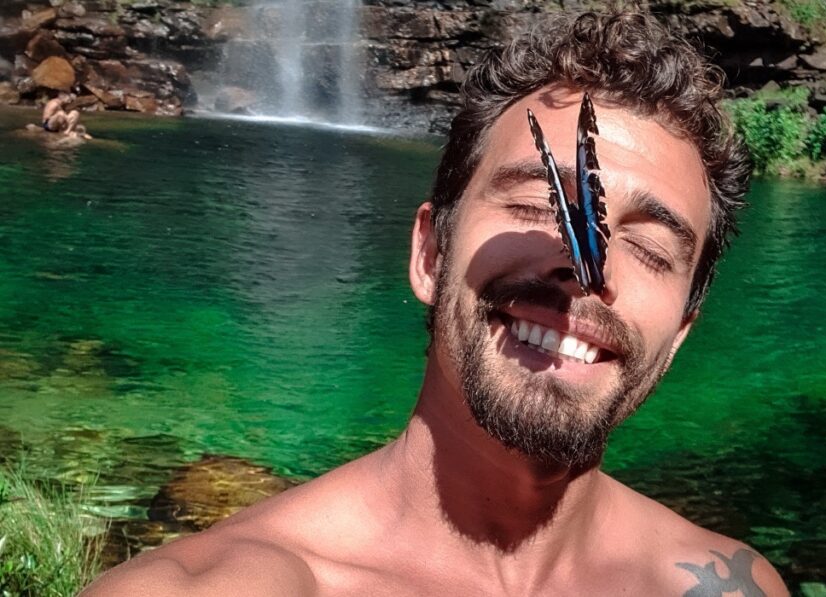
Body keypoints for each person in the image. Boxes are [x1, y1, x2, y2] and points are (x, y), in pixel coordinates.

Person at [82, 12, 788, 596]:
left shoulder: (733, 586)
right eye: (538, 203)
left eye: (653, 250)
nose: (588, 271)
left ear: (680, 334)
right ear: (430, 253)